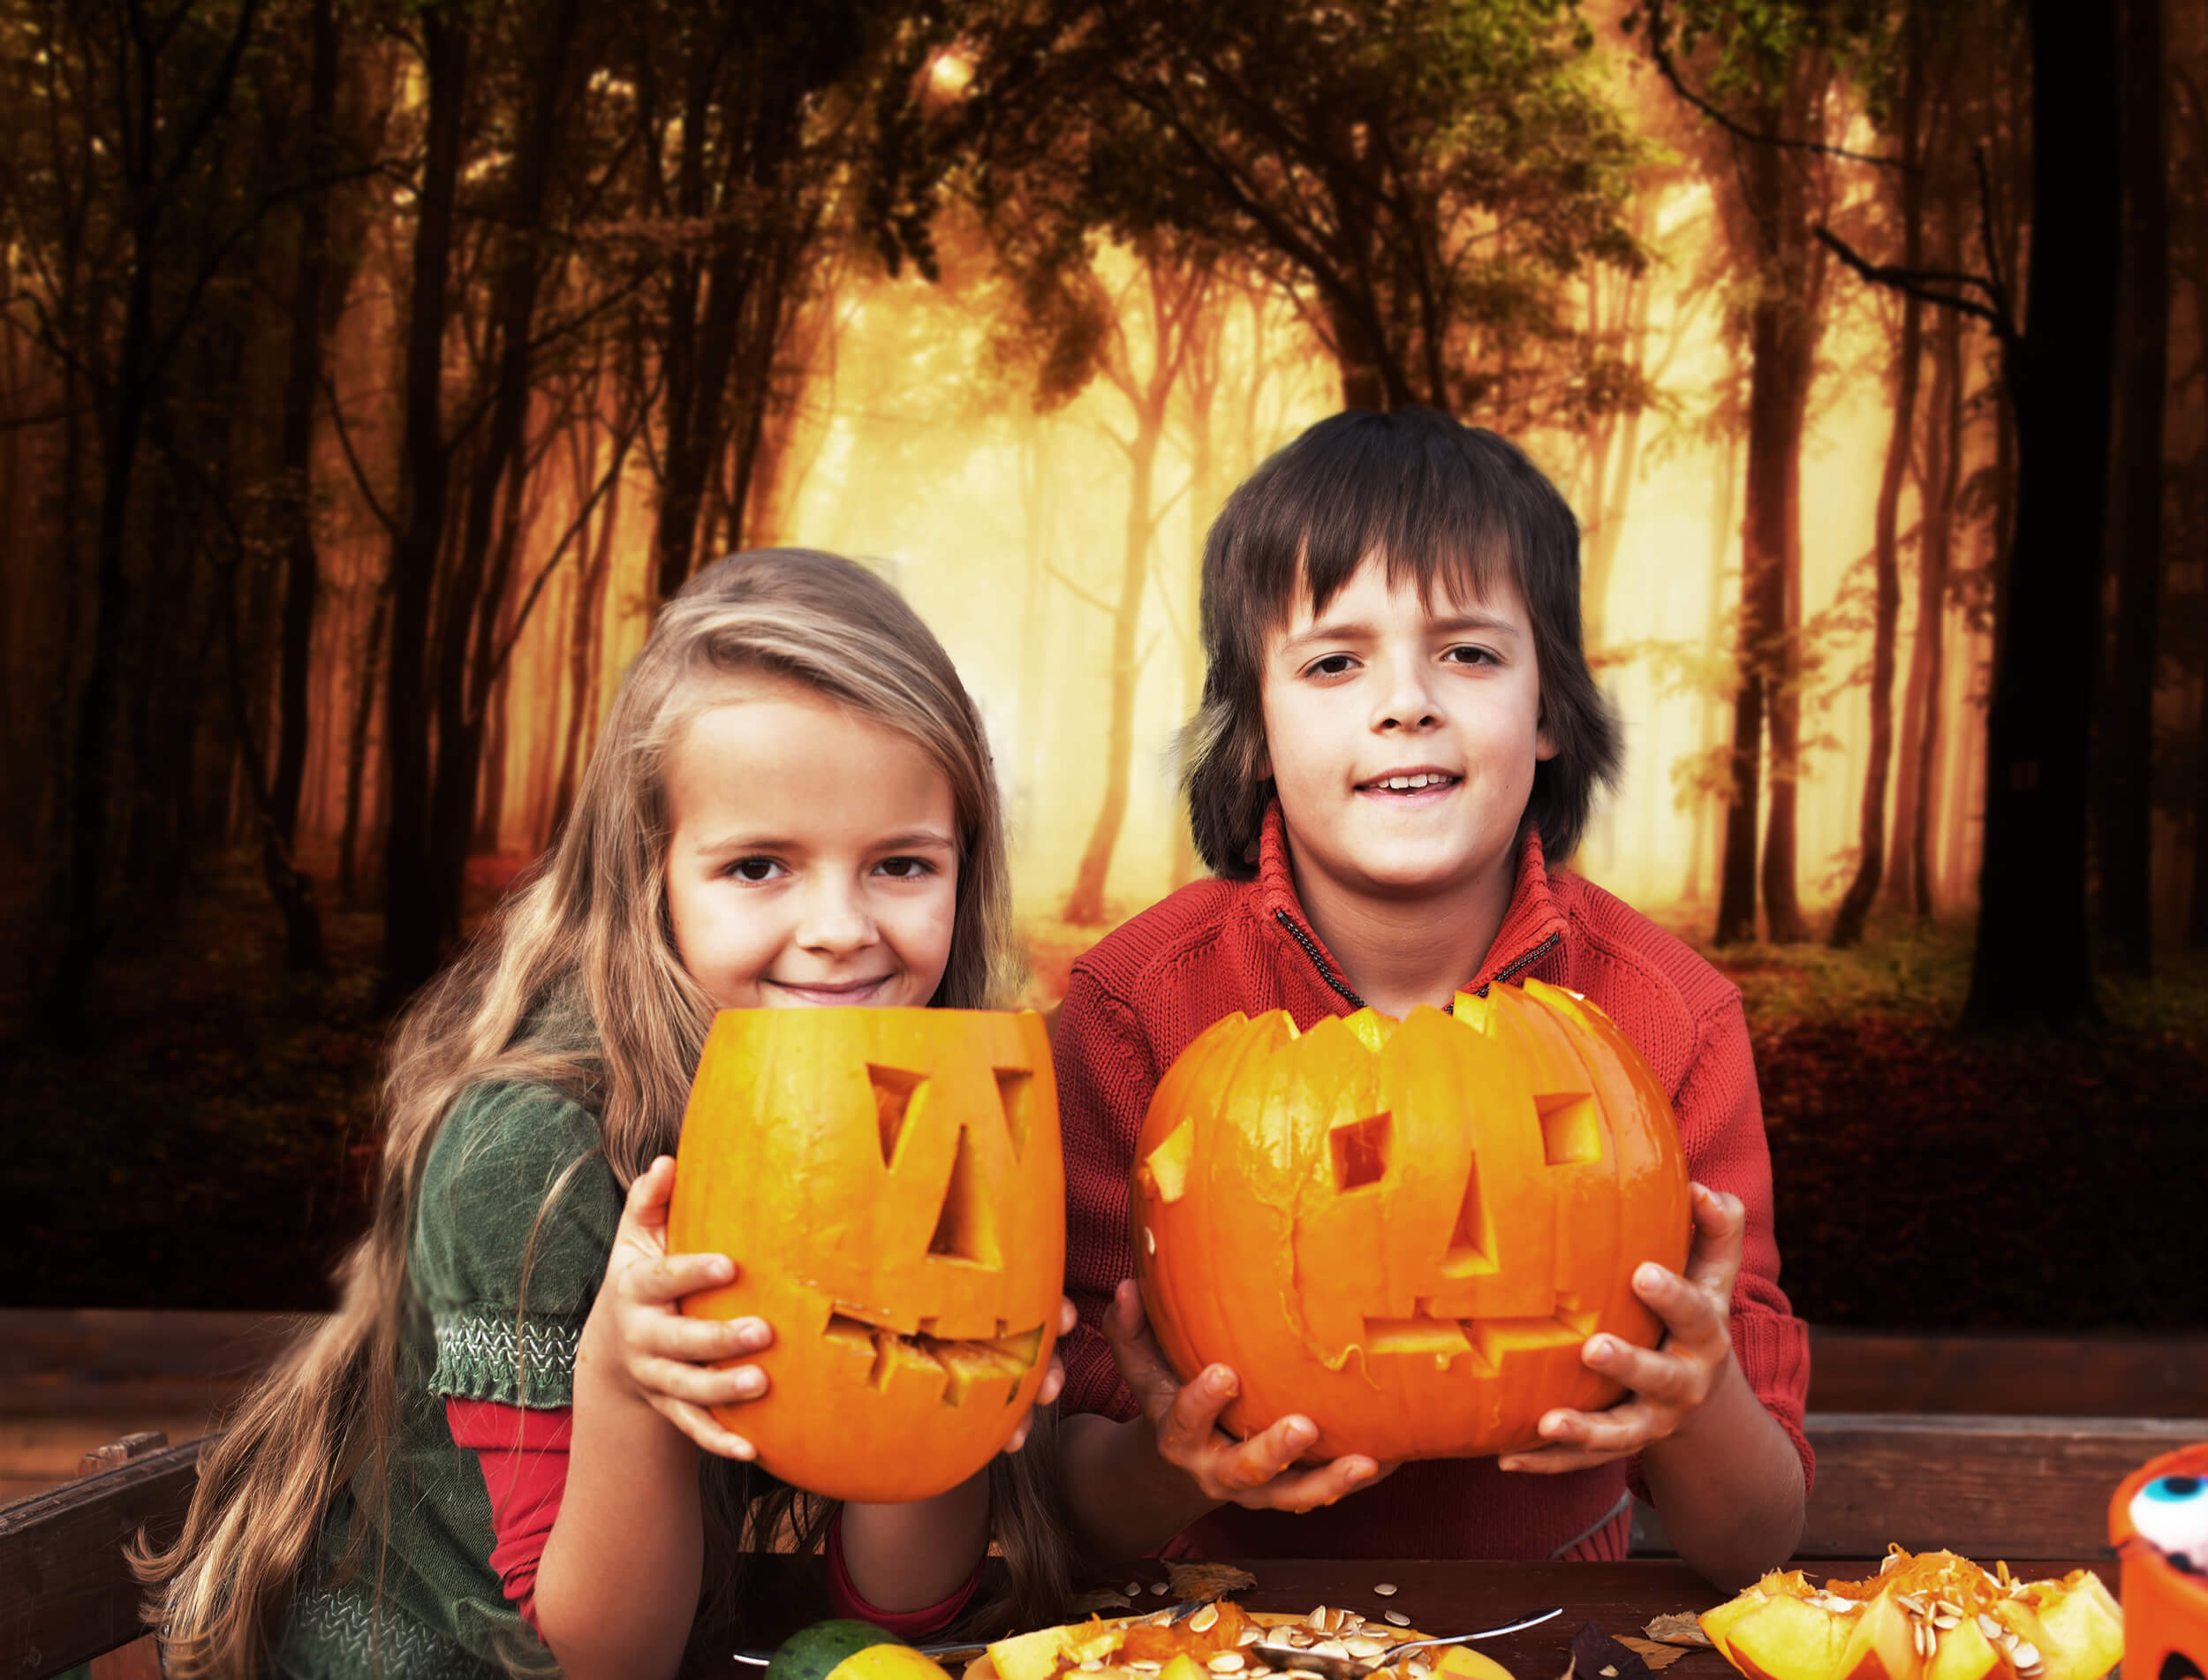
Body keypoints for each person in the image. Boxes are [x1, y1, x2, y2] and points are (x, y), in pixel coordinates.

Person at [140, 549, 1072, 1679]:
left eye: (901, 865)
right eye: (760, 866)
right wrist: (625, 1384)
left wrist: (948, 1396)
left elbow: (895, 1607)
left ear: (962, 869)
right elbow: (597, 1665)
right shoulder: (527, 1154)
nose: (839, 927)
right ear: (652, 877)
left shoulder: (934, 1125)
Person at [1051, 408, 1811, 1590]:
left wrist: (1696, 1395)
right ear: (1251, 729)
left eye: (1466, 651)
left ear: (1550, 711)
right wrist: (1174, 1461)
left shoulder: (1671, 1021)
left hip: (1557, 1631)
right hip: (1214, 1635)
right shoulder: (1132, 1010)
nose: (1406, 701)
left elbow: (1755, 1539)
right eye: (1334, 660)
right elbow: (1069, 1496)